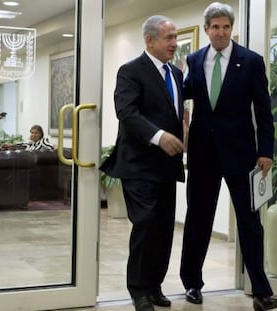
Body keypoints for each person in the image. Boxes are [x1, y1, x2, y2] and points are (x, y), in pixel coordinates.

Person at [180, 3, 277, 311]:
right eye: (214, 27)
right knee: (198, 220)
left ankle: (261, 291)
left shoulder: (250, 61)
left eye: (225, 27)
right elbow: (183, 97)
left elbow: (264, 112)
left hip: (242, 155)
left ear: (231, 29)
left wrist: (266, 151)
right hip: (203, 155)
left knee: (250, 224)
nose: (220, 32)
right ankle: (192, 284)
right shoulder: (194, 60)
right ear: (207, 29)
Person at [99, 15, 185, 311]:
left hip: (167, 166)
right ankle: (138, 290)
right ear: (149, 40)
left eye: (175, 37)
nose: (174, 43)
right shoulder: (130, 71)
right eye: (168, 38)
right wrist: (159, 136)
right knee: (146, 224)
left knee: (163, 228)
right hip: (137, 165)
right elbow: (127, 113)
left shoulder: (176, 73)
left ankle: (154, 285)